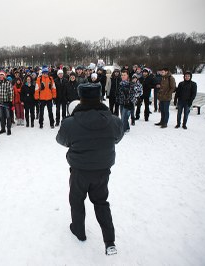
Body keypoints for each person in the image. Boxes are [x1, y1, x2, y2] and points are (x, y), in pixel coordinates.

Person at [56, 82, 124, 256]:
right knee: (101, 202)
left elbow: (62, 140)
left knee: (77, 200)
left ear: (81, 98)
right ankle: (109, 241)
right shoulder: (114, 120)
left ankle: (79, 231)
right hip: (102, 170)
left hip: (79, 170)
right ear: (100, 97)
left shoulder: (70, 122)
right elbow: (117, 137)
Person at [0, 71, 13, 135]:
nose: (1, 76)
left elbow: (11, 92)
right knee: (1, 116)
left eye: (2, 75)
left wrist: (10, 101)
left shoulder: (8, 83)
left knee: (8, 116)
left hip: (6, 102)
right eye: (0, 75)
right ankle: (3, 128)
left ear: (4, 76)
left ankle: (9, 129)